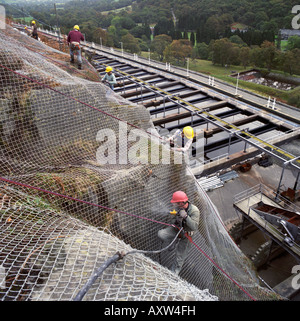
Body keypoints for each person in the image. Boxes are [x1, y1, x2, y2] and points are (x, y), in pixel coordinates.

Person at [158, 191, 200, 275]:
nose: (174, 205)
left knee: (179, 256)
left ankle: (173, 274)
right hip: (177, 229)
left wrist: (186, 217)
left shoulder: (194, 211)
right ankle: (174, 240)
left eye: (176, 203)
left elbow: (194, 227)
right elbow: (172, 220)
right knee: (161, 234)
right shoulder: (178, 208)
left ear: (181, 202)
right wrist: (176, 220)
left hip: (187, 234)